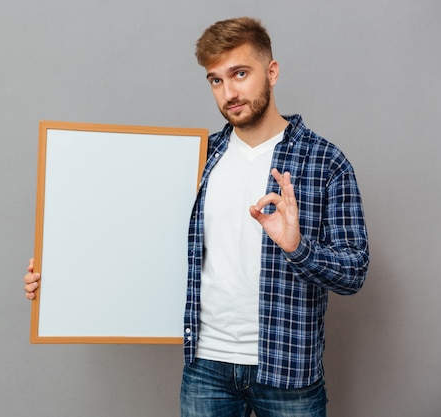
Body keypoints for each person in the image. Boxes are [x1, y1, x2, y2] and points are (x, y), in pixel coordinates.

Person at [24, 16, 369, 417]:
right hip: (206, 368)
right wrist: (58, 279)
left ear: (271, 72)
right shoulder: (197, 159)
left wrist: (297, 247)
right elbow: (128, 238)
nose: (229, 92)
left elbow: (354, 272)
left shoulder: (326, 161)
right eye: (216, 80)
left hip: (289, 369)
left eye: (240, 73)